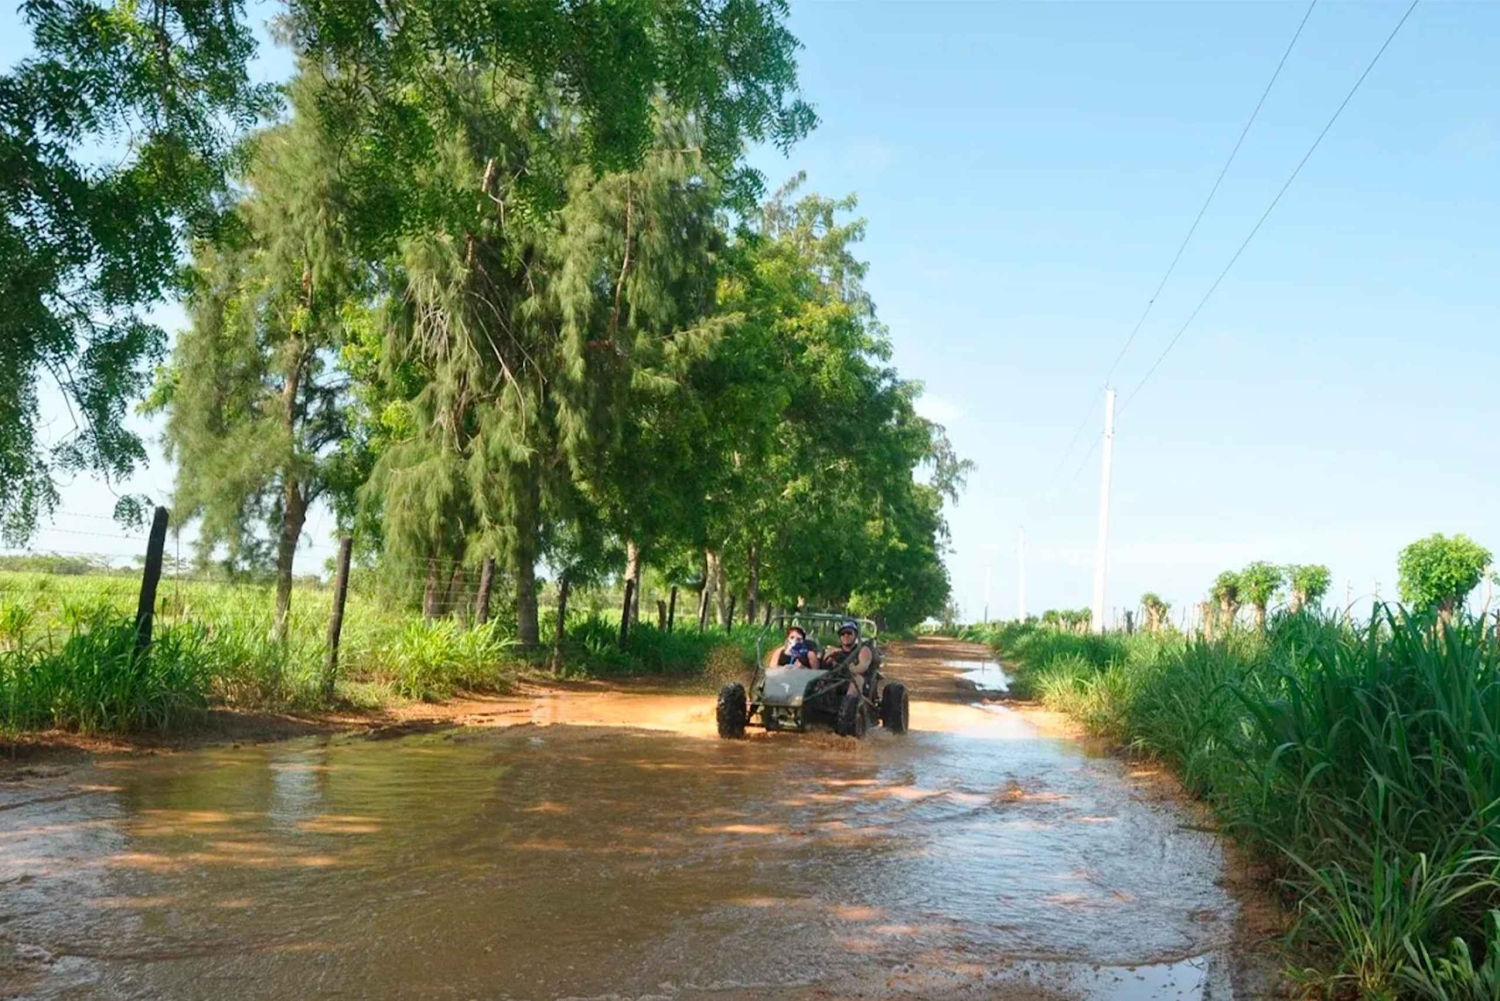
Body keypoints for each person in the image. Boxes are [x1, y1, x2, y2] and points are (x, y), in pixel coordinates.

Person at [821, 619, 873, 695]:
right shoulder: (834, 650)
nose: (846, 635)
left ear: (855, 635)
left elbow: (862, 667)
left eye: (849, 633)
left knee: (858, 679)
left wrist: (850, 668)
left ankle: (849, 704)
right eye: (843, 633)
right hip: (834, 679)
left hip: (853, 680)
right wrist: (828, 657)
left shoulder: (863, 650)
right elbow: (822, 666)